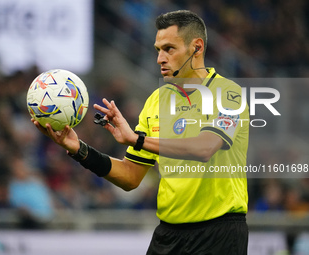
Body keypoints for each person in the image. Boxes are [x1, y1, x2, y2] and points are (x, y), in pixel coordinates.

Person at [32, 10, 249, 255]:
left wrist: (137, 139)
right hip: (169, 235)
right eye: (158, 49)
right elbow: (130, 177)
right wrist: (79, 150)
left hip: (218, 234)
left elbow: (205, 148)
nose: (160, 58)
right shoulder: (156, 102)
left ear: (196, 48)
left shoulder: (229, 94)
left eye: (169, 49)